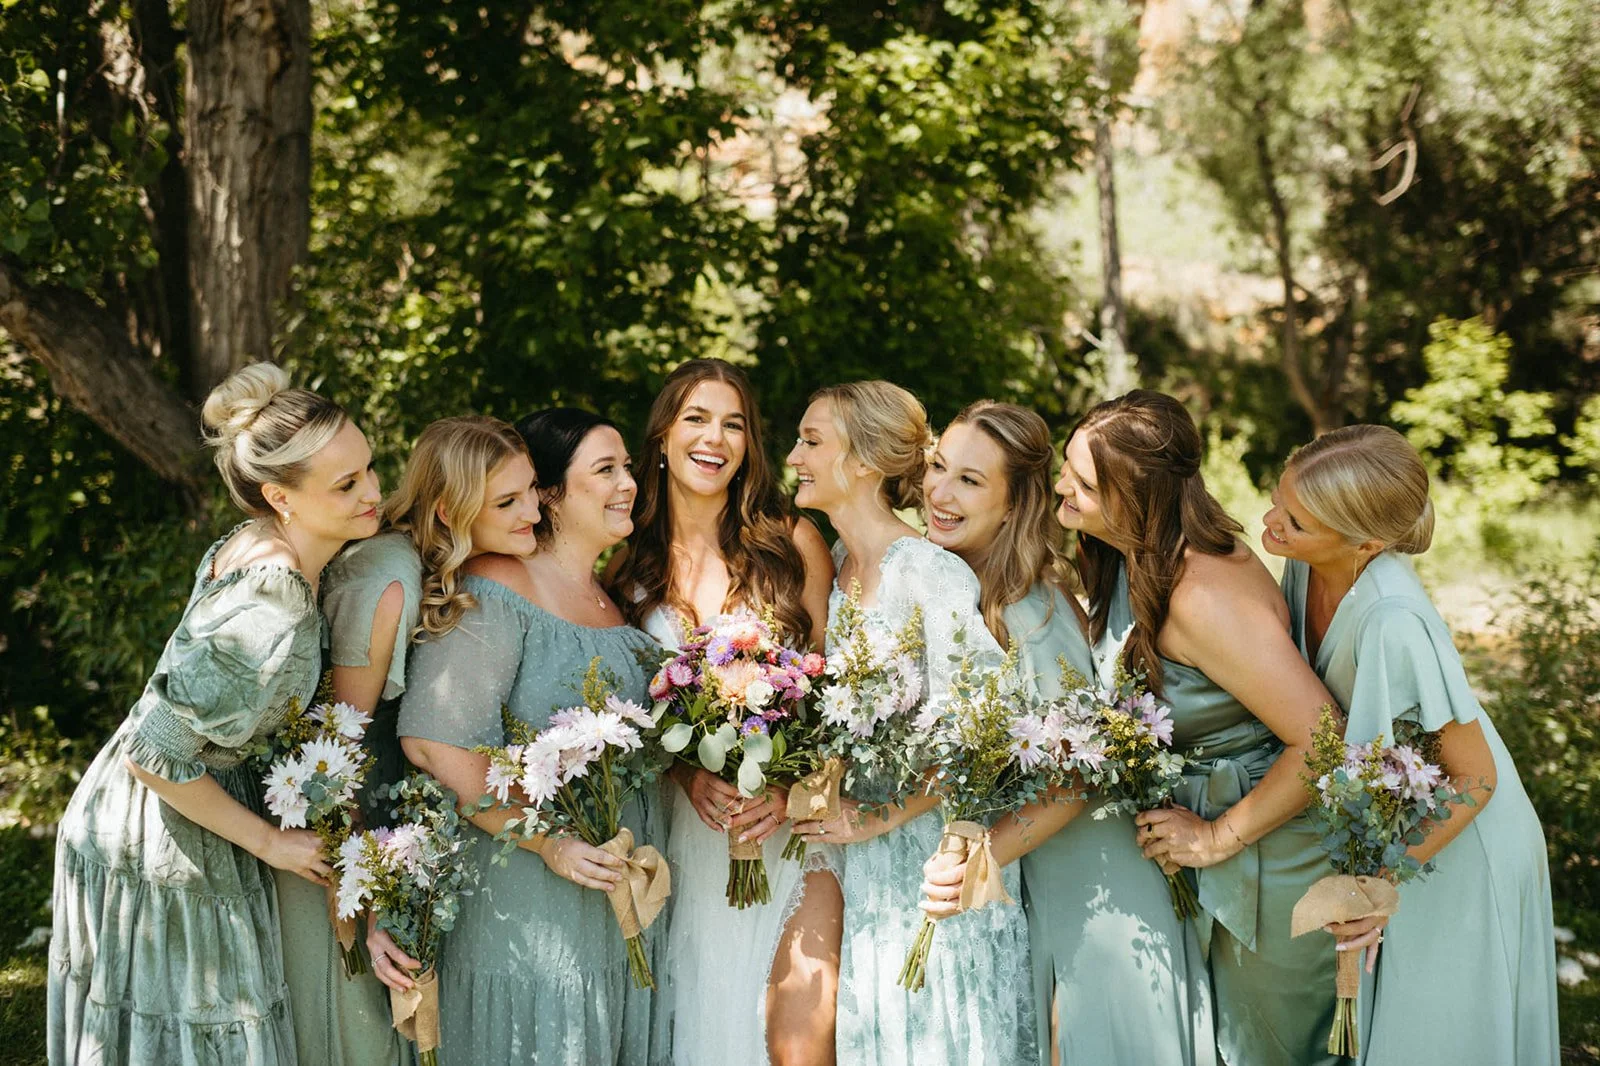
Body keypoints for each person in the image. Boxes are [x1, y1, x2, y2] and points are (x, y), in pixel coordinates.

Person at [48, 363, 381, 1066]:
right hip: (161, 813)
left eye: (371, 470)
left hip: (163, 792)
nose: (373, 494)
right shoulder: (275, 602)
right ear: (279, 496)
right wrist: (272, 843)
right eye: (347, 485)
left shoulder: (265, 542)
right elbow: (156, 750)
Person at [917, 400, 1216, 1066]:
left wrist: (981, 856)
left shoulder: (1034, 608)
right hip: (1040, 869)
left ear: (1013, 504)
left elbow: (1078, 775)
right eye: (939, 468)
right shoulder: (950, 588)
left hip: (1099, 881)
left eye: (970, 481)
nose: (940, 492)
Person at [1264, 424, 1559, 1066]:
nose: (1271, 522)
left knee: (1434, 1036)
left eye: (1296, 520)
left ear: (1364, 543)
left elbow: (1477, 777)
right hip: (1398, 817)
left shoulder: (1393, 619)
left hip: (1458, 838)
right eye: (1278, 500)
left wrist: (1378, 883)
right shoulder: (1305, 562)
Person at [1064, 390, 1338, 1066]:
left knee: (1271, 1053)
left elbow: (1325, 737)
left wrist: (1218, 836)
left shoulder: (1202, 594)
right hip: (1203, 843)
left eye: (1083, 482)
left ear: (1138, 496)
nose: (1061, 488)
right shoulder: (1134, 557)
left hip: (1269, 855)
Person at [398, 408, 665, 1065]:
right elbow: (436, 741)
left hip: (610, 908)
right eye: (605, 469)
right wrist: (551, 844)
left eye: (627, 466)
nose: (628, 482)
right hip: (527, 906)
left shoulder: (612, 598)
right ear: (549, 494)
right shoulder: (498, 585)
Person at [787, 382, 1035, 1066]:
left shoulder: (929, 573)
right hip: (864, 873)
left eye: (811, 440)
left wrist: (877, 817)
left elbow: (983, 732)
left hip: (935, 864)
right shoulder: (837, 572)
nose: (794, 456)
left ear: (864, 462)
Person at [604, 359, 836, 1066]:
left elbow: (835, 696)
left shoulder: (792, 542)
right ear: (664, 437)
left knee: (798, 1041)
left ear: (749, 445)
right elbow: (627, 720)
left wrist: (788, 786)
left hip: (790, 826)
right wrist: (685, 777)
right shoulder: (623, 569)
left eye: (733, 423)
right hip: (691, 833)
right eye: (696, 419)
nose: (715, 438)